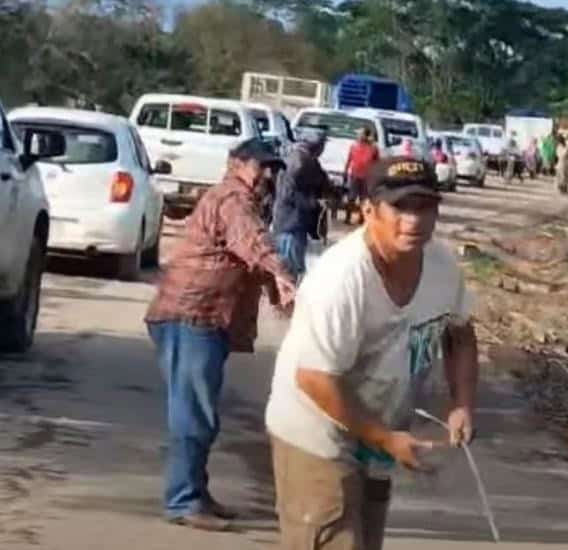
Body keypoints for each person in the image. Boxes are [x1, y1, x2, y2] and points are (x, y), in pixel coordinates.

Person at [265, 156, 479, 549]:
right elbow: (314, 378)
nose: (413, 221)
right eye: (399, 207)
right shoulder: (341, 279)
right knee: (334, 536)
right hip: (318, 432)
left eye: (424, 207)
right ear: (368, 210)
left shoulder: (443, 266)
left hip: (378, 432)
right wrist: (386, 438)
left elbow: (460, 333)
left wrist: (462, 403)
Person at [145, 139, 296, 532]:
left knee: (199, 410)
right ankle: (183, 500)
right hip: (190, 315)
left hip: (205, 319)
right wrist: (282, 275)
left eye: (271, 168)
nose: (266, 175)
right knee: (193, 414)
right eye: (259, 166)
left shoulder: (241, 199)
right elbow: (252, 244)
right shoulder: (232, 198)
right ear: (234, 164)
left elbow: (249, 258)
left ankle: (196, 492)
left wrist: (276, 289)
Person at [271, 128, 330, 282]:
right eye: (322, 145)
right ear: (315, 145)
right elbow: (288, 195)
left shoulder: (306, 160)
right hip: (290, 224)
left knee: (292, 271)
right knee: (287, 271)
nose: (323, 149)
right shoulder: (299, 162)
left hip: (296, 223)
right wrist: (314, 203)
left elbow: (322, 182)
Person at [344, 127, 380, 225]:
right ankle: (347, 217)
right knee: (351, 197)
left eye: (361, 134)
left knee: (364, 199)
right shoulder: (354, 146)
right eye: (358, 134)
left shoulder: (373, 148)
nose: (359, 136)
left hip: (367, 177)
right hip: (355, 175)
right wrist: (345, 172)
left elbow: (377, 163)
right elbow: (349, 159)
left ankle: (362, 218)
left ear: (366, 136)